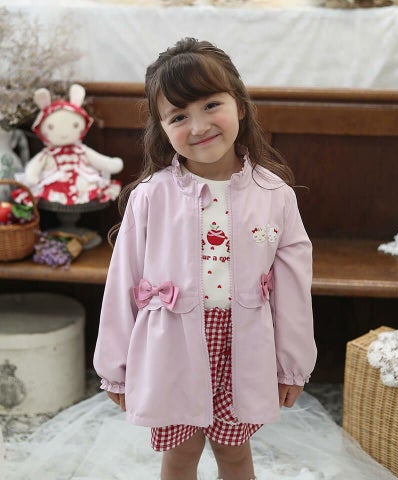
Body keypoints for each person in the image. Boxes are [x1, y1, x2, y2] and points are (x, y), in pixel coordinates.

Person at [93, 37, 317, 480]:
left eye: (211, 105)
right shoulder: (150, 197)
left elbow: (294, 289)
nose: (198, 126)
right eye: (179, 116)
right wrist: (115, 368)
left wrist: (292, 365)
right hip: (171, 348)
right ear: (162, 128)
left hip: (243, 348)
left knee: (234, 454)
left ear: (240, 105)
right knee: (180, 455)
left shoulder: (275, 195)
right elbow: (122, 283)